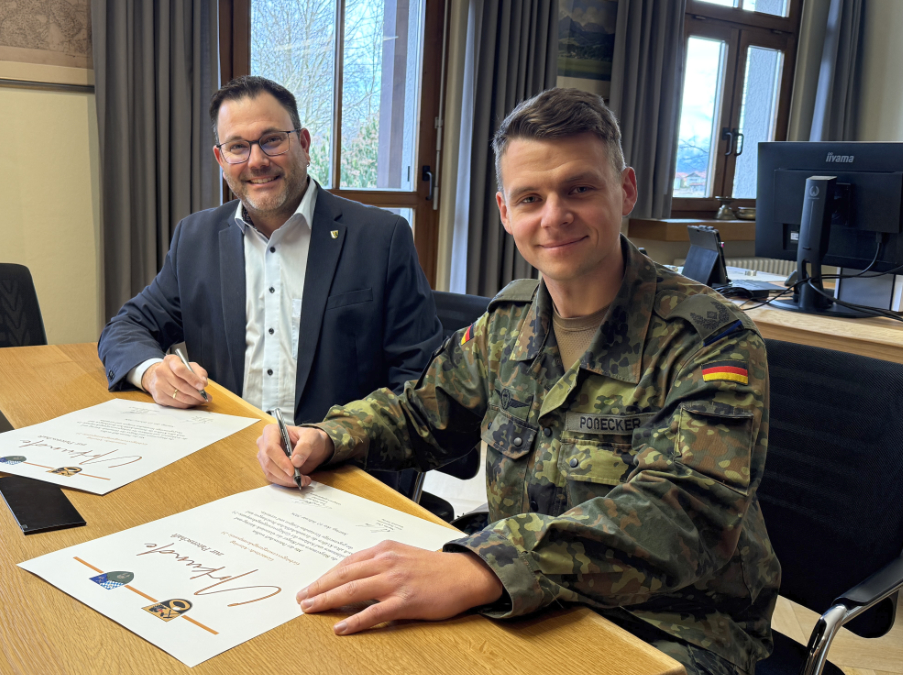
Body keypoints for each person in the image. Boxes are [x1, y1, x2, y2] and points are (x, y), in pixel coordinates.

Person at [255, 87, 781, 675]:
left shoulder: (710, 338)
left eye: (580, 188)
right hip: (528, 602)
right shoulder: (510, 319)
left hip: (673, 626)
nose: (554, 216)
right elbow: (423, 413)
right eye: (531, 198)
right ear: (506, 214)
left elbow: (685, 514)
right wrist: (328, 436)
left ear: (625, 190)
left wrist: (483, 566)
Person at [98, 76, 444, 426]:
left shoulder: (381, 239)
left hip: (341, 463)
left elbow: (419, 382)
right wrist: (152, 372)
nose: (257, 161)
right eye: (237, 147)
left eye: (272, 140)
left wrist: (340, 441)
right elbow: (125, 328)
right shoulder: (195, 239)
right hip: (224, 451)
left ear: (304, 144)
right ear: (220, 158)